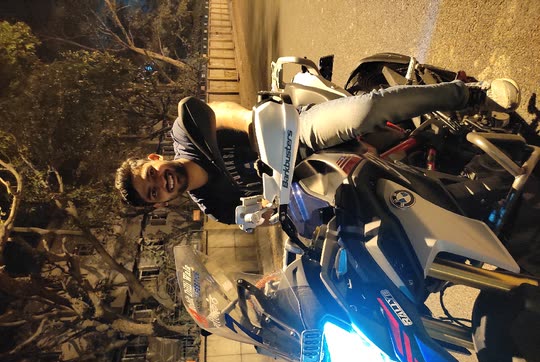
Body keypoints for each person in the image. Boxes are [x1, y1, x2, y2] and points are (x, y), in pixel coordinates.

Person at [115, 79, 520, 224]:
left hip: (295, 134)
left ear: (154, 160)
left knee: (365, 110)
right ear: (160, 203)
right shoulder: (216, 206)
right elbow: (262, 216)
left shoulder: (186, 133)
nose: (161, 183)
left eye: (152, 175)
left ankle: (471, 94)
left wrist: (254, 126)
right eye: (154, 193)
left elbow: (223, 112)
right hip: (310, 181)